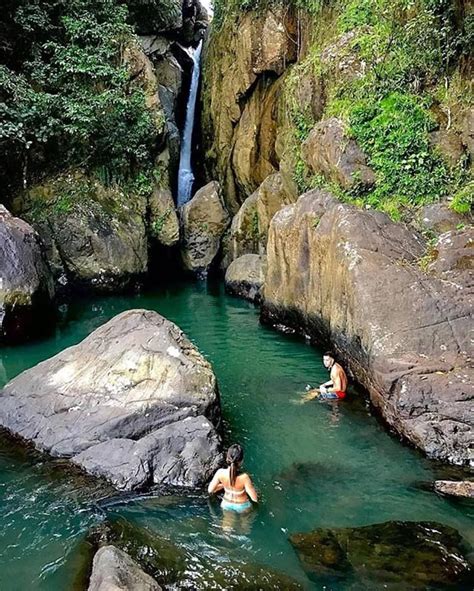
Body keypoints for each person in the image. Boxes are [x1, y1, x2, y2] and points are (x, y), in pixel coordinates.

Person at [208, 444, 258, 512]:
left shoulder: (220, 473)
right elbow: (254, 498)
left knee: (226, 523)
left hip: (226, 504)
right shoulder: (245, 477)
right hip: (242, 505)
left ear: (227, 458)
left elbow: (210, 490)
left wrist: (223, 485)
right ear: (241, 461)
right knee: (245, 522)